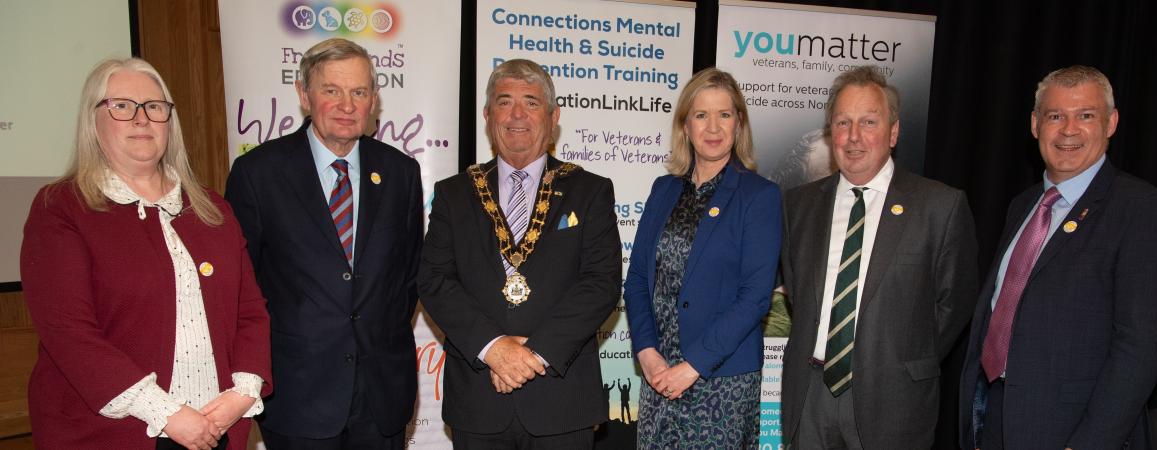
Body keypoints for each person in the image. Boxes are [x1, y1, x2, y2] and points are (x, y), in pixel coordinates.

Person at [20, 57, 271, 449]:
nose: (142, 119)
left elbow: (250, 311)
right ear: (93, 120)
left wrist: (242, 393)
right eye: (121, 106)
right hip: (113, 434)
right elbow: (68, 333)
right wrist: (167, 413)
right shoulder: (61, 208)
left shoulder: (211, 208)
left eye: (155, 107)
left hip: (217, 427)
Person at [959, 65, 1157, 450]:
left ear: (1111, 123)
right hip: (995, 418)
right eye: (1055, 116)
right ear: (1035, 124)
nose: (1068, 130)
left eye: (1085, 116)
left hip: (1072, 433)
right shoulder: (1023, 205)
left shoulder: (1143, 210)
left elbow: (1140, 350)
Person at [224, 38, 423, 449]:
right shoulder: (257, 173)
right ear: (304, 94)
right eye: (331, 90)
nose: (347, 105)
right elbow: (243, 286)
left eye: (359, 92)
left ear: (373, 99)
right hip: (297, 394)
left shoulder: (401, 172)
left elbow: (407, 278)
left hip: (380, 394)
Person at [417, 58, 621, 449]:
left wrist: (535, 354)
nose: (517, 115)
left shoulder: (590, 190)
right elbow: (434, 280)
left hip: (562, 400)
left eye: (530, 102)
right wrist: (495, 349)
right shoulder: (454, 193)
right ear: (487, 113)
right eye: (504, 101)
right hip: (478, 399)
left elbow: (601, 283)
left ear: (553, 115)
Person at [779, 65, 978, 449]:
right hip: (810, 397)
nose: (854, 137)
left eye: (869, 122)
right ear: (830, 132)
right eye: (842, 123)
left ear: (894, 132)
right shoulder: (798, 206)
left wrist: (898, 361)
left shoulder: (940, 206)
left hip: (894, 400)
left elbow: (954, 304)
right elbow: (800, 296)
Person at [623, 67, 781, 449]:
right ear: (686, 126)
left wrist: (691, 367)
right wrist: (647, 354)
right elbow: (638, 280)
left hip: (721, 381)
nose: (713, 127)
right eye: (701, 115)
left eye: (724, 114)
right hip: (659, 377)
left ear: (738, 123)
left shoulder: (759, 196)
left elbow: (755, 297)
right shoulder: (663, 190)